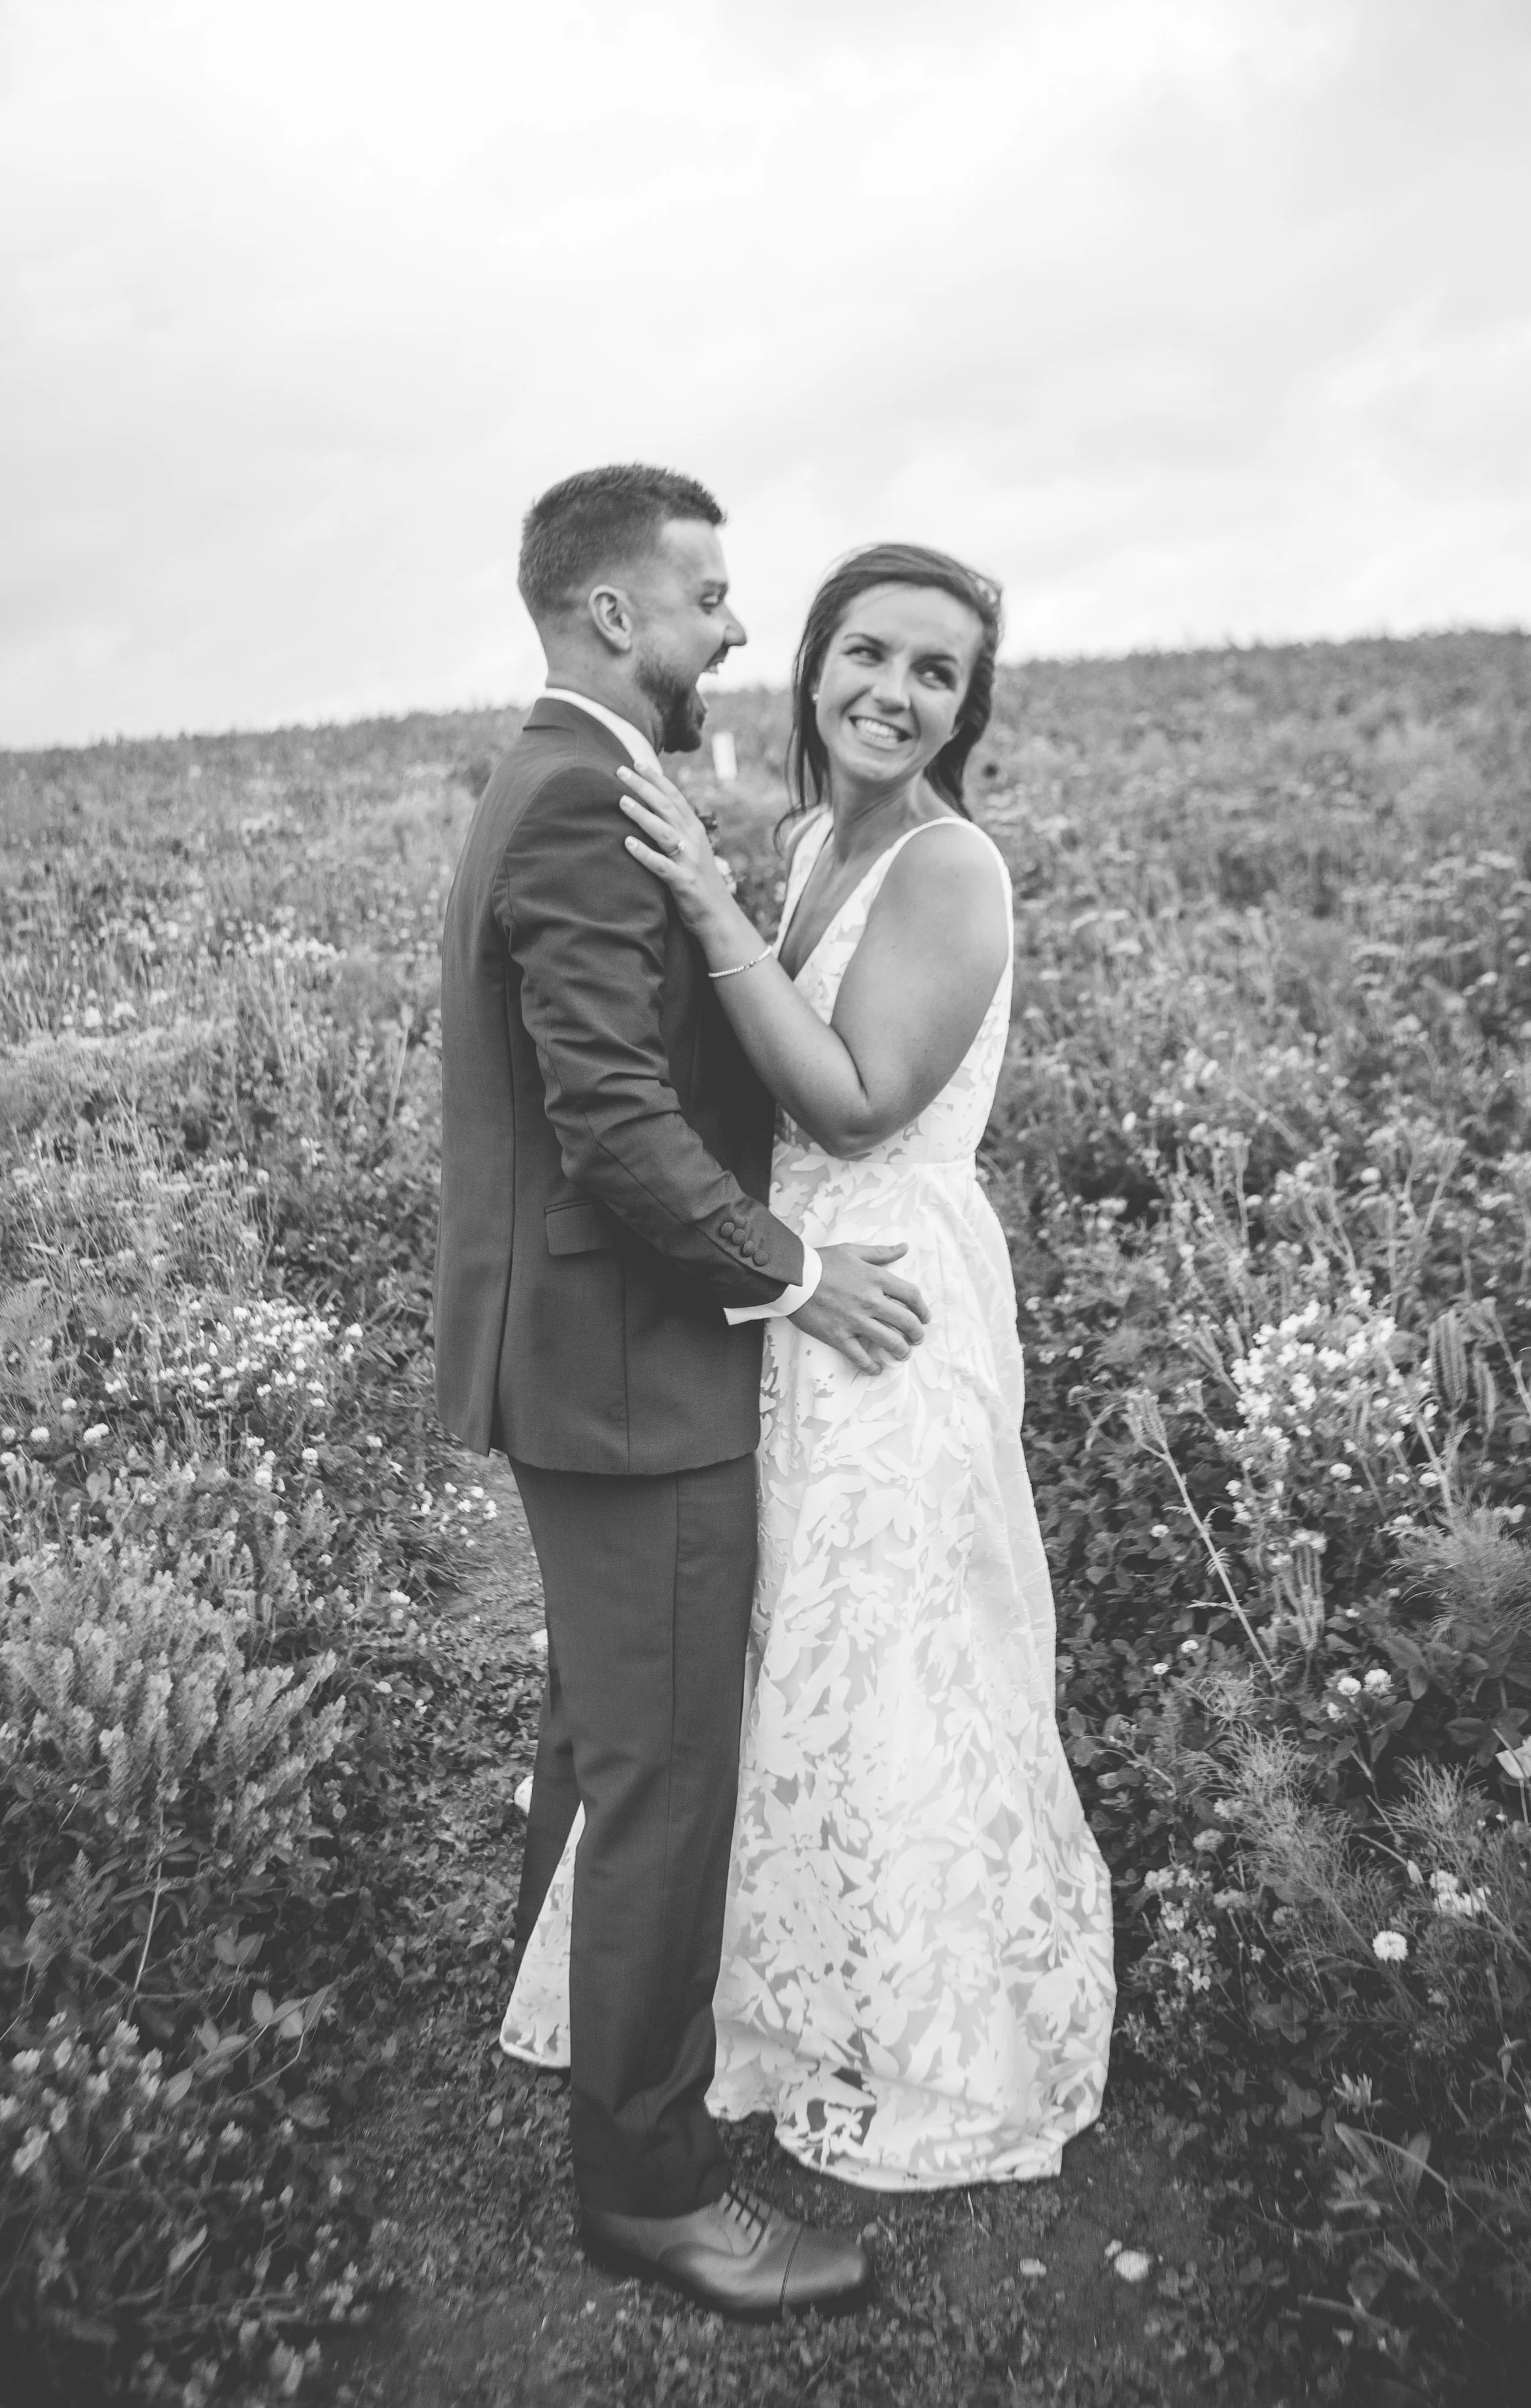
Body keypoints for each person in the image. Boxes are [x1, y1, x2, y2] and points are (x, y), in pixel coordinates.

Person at [501, 541, 1115, 2192]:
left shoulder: (949, 869)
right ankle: (770, 1990)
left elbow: (851, 1104)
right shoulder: (808, 840)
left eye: (935, 672)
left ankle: (919, 2023)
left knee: (894, 1642)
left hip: (884, 1297)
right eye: (868, 653)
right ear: (815, 661)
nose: (892, 693)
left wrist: (706, 907)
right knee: (783, 1640)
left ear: (968, 709)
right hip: (792, 1287)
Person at [435, 468, 933, 2316]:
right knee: (664, 1766)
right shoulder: (579, 790)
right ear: (614, 613)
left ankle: (562, 2019)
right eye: (708, 594)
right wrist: (794, 1275)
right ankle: (648, 2187)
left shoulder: (573, 770)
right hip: (632, 1364)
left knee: (600, 1725)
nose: (736, 625)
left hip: (588, 1351)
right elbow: (612, 1119)